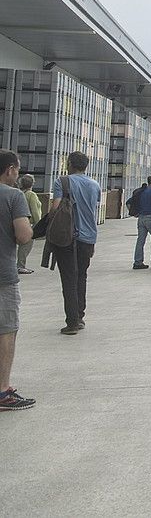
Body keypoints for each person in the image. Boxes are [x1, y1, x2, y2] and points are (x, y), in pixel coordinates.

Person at [50, 151, 102, 336]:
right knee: (81, 276)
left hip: (67, 238)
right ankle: (79, 316)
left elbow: (55, 208)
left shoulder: (62, 182)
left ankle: (72, 322)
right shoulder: (94, 185)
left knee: (69, 279)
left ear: (70, 163)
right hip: (88, 238)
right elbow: (92, 211)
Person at [0, 149, 34, 411]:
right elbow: (23, 236)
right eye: (17, 169)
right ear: (10, 169)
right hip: (3, 276)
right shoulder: (14, 197)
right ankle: (2, 392)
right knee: (6, 330)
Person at [15, 175, 40, 275]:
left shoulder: (19, 194)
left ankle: (17, 265)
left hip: (18, 222)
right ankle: (21, 266)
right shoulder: (32, 195)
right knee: (26, 245)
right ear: (32, 183)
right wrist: (39, 225)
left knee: (19, 245)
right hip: (29, 224)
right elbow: (35, 211)